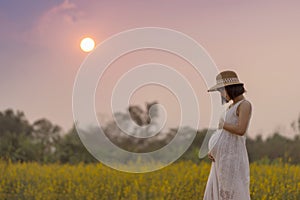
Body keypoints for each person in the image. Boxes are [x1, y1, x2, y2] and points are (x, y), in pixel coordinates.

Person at [203, 70, 252, 200]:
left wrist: (222, 125)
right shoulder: (231, 107)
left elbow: (241, 129)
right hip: (223, 159)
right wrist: (214, 151)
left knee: (233, 191)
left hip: (233, 158)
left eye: (221, 91)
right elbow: (225, 135)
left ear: (230, 88)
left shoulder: (244, 105)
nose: (221, 95)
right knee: (220, 191)